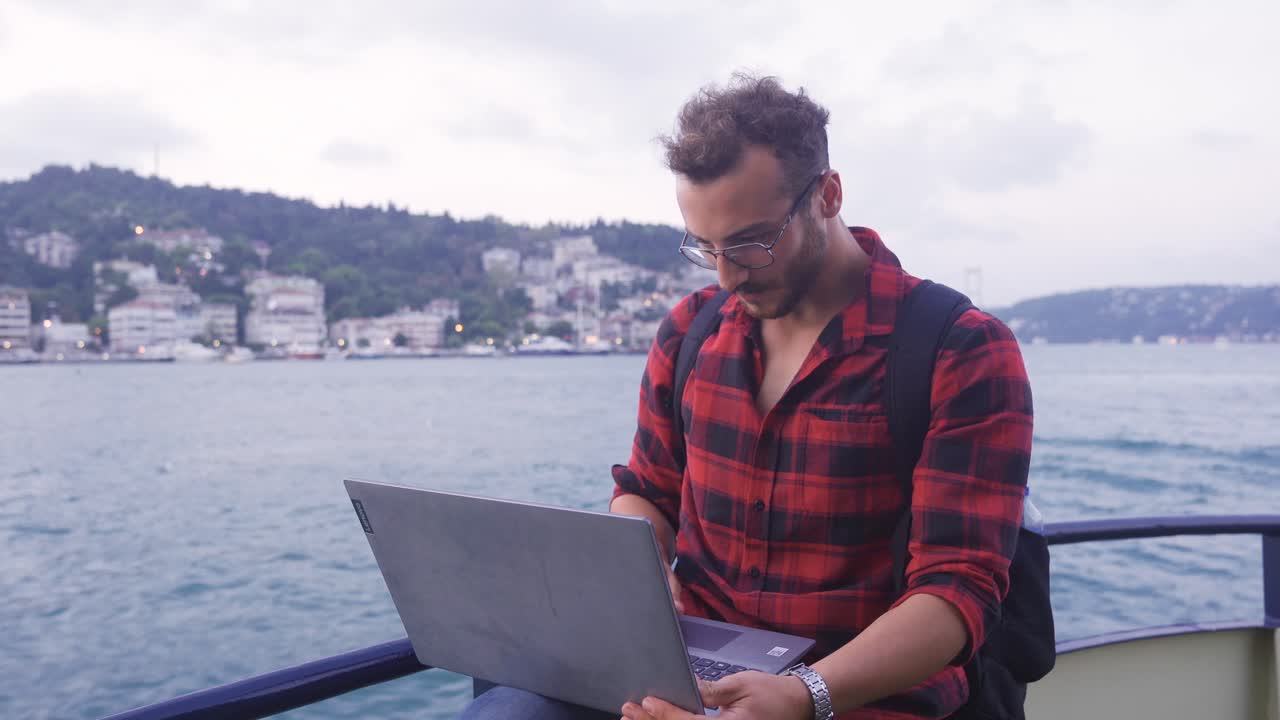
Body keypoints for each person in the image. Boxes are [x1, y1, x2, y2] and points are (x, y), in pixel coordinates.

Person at [462, 73, 1032, 720]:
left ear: (828, 194)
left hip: (855, 693)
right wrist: (641, 584)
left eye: (752, 243)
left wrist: (802, 694)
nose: (729, 275)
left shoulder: (957, 350)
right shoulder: (690, 332)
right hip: (689, 675)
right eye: (705, 248)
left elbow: (957, 592)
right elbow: (647, 492)